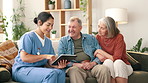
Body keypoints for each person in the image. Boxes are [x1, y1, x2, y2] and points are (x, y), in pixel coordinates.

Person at [12, 12, 67, 83]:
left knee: (60, 73)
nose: (50, 28)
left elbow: (49, 62)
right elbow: (24, 58)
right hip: (22, 70)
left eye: (52, 25)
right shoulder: (28, 37)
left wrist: (57, 66)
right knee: (51, 74)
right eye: (48, 25)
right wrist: (45, 56)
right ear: (39, 22)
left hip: (38, 69)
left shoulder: (48, 41)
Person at [58, 17, 110, 83]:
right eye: (69, 27)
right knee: (74, 71)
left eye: (74, 27)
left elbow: (99, 53)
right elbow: (61, 59)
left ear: (80, 28)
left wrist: (92, 63)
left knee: (103, 69)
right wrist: (78, 65)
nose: (71, 29)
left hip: (92, 66)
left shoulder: (91, 38)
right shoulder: (63, 41)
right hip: (75, 67)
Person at [94, 17, 133, 83]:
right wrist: (98, 54)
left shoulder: (119, 37)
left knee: (118, 62)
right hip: (110, 65)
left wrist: (100, 52)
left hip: (123, 66)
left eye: (102, 28)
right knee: (107, 62)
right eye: (98, 27)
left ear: (109, 29)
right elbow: (93, 51)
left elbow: (116, 58)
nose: (99, 30)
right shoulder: (98, 37)